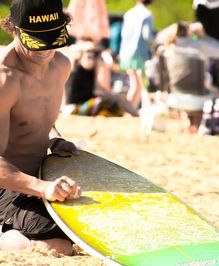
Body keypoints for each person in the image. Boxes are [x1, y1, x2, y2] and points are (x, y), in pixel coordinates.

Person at [0, 0, 80, 255]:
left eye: (53, 38)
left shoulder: (61, 66)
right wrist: (42, 188)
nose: (46, 50)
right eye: (37, 40)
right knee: (56, 244)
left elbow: (37, 118)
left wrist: (54, 138)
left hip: (41, 178)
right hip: (8, 186)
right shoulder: (5, 78)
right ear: (14, 29)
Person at [64, 41, 140, 117]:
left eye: (96, 53)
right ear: (81, 55)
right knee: (108, 101)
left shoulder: (90, 71)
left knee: (114, 101)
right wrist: (116, 98)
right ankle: (136, 115)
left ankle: (136, 115)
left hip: (84, 106)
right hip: (74, 108)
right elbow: (99, 91)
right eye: (88, 52)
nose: (92, 55)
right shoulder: (76, 70)